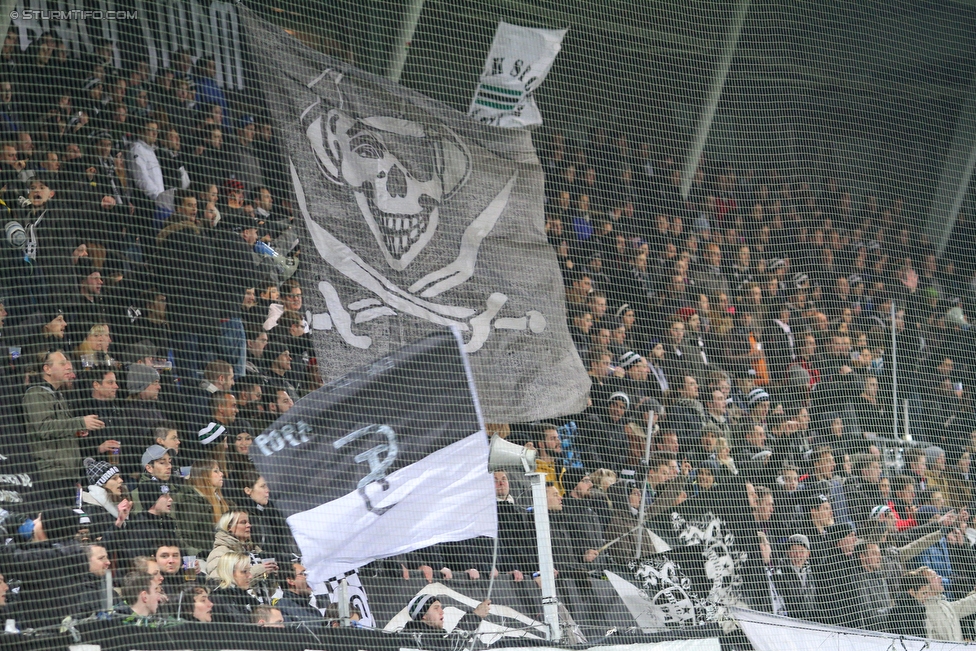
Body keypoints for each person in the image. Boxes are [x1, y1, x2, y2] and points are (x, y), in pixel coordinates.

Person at [23, 349, 105, 503]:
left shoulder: (57, 394)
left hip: (67, 474)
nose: (69, 367)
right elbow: (44, 428)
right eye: (62, 363)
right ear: (47, 369)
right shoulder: (35, 394)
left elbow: (58, 428)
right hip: (51, 475)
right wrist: (80, 422)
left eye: (68, 363)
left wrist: (76, 430)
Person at [890, 566, 976, 640]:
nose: (940, 577)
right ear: (924, 583)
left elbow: (967, 604)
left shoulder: (946, 604)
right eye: (934, 577)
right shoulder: (922, 610)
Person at [174, 459, 232, 555]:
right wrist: (202, 552)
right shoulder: (192, 501)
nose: (221, 474)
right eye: (216, 471)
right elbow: (185, 535)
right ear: (204, 475)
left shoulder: (220, 500)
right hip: (203, 556)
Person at [205, 510, 276, 582]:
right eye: (243, 522)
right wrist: (258, 571)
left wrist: (270, 576)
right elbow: (221, 582)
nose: (249, 525)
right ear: (229, 527)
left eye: (248, 522)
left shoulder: (255, 550)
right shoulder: (220, 552)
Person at [80, 457, 132, 540]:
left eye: (119, 477)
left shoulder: (118, 503)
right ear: (101, 484)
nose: (121, 480)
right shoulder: (92, 509)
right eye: (114, 478)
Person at [400, 593, 491, 639]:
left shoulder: (434, 638)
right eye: (436, 608)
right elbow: (450, 647)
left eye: (441, 608)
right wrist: (475, 616)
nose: (442, 612)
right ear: (423, 615)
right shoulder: (414, 637)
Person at [210, 552, 260, 624]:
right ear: (229, 573)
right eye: (244, 571)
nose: (250, 576)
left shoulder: (240, 593)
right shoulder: (220, 598)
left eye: (249, 571)